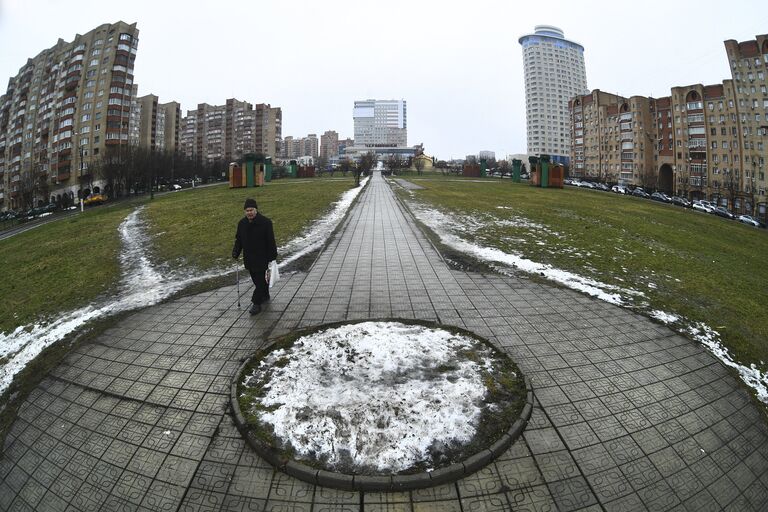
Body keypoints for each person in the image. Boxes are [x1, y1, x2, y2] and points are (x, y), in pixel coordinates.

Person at [232, 198, 278, 315]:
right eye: (247, 210)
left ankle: (256, 303)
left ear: (256, 210)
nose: (249, 212)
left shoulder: (265, 222)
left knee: (260, 282)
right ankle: (265, 295)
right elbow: (239, 240)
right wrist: (236, 252)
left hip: (262, 257)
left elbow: (270, 241)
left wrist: (272, 257)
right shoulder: (242, 224)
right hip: (249, 258)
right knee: (257, 280)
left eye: (251, 210)